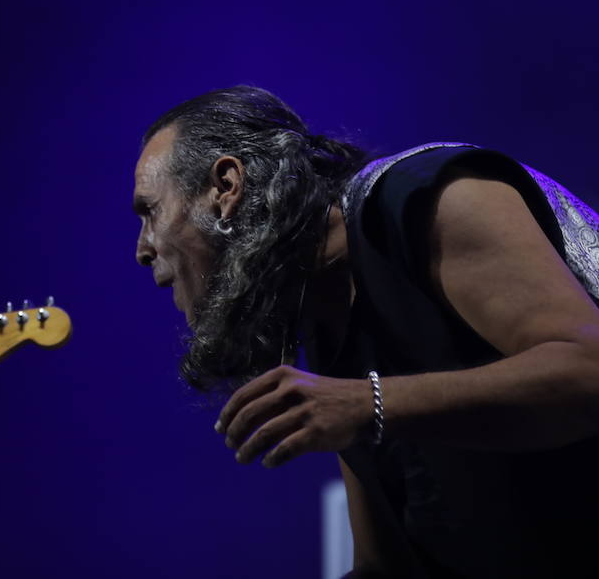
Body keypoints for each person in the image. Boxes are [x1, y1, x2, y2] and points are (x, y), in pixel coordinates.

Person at [133, 85, 599, 578]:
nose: (142, 249)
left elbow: (589, 371)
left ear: (225, 187)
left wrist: (368, 403)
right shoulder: (322, 314)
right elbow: (383, 564)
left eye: (150, 212)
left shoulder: (426, 198)